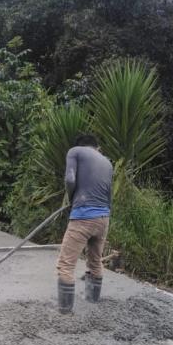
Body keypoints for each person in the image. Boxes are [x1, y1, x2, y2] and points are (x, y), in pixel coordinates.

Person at [56, 134, 113, 314]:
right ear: (97, 147)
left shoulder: (75, 151)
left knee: (66, 264)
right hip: (103, 218)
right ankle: (92, 303)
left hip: (83, 216)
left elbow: (70, 179)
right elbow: (109, 194)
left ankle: (65, 311)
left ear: (80, 145)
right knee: (95, 261)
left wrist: (71, 198)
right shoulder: (107, 162)